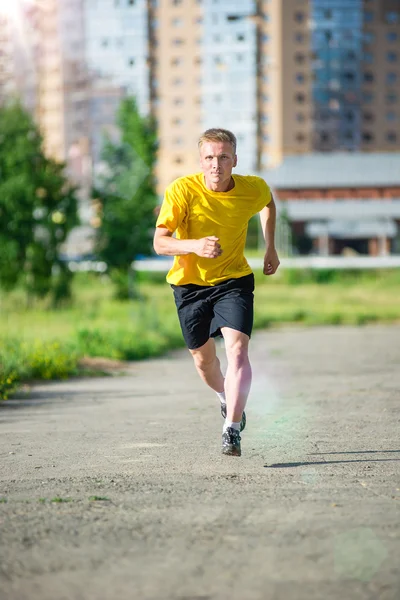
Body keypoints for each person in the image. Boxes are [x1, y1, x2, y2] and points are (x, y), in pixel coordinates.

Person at [153, 128, 280, 457]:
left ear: (235, 160)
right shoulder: (182, 191)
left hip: (233, 280)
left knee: (237, 351)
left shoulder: (253, 188)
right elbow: (160, 241)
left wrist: (270, 248)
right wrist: (194, 245)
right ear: (201, 160)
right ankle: (225, 397)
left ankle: (232, 429)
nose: (216, 164)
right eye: (210, 157)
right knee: (204, 361)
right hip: (189, 285)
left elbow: (268, 204)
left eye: (224, 157)